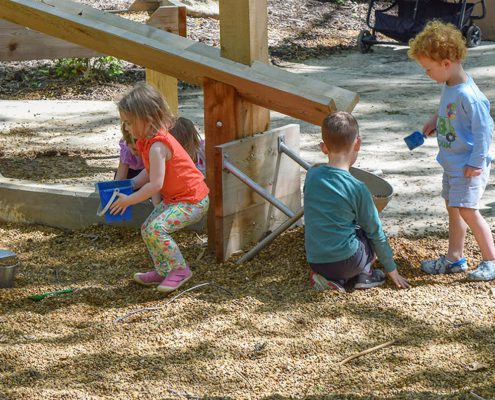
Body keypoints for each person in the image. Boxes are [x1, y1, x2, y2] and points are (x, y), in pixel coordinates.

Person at [408, 21, 495, 281]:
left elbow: (485, 131)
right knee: (453, 208)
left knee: (468, 210)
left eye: (428, 69)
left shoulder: (470, 96)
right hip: (452, 163)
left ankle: (491, 260)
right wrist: (435, 120)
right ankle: (455, 258)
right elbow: (448, 109)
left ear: (446, 63)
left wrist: (477, 163)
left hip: (469, 166)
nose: (427, 74)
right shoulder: (450, 86)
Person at [110, 82, 209, 293]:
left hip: (193, 200)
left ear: (147, 119)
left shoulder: (157, 146)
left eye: (129, 123)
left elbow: (156, 184)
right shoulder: (148, 141)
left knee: (156, 228)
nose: (126, 128)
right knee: (147, 228)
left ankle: (180, 269)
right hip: (178, 199)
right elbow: (150, 172)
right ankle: (164, 269)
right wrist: (133, 183)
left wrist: (129, 199)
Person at [304, 111, 409, 292]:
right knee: (365, 231)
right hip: (347, 261)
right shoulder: (358, 188)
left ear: (323, 147)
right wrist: (392, 269)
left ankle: (336, 281)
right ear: (357, 144)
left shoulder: (312, 175)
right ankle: (365, 276)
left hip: (316, 261)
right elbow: (377, 233)